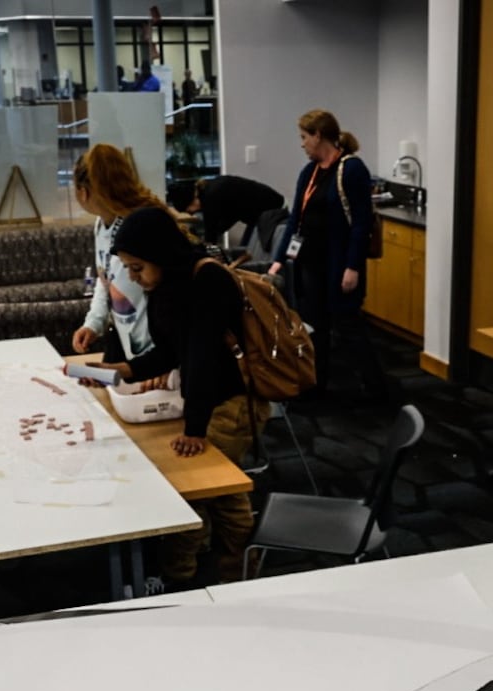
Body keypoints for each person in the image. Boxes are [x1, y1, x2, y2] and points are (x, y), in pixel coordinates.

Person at [88, 207, 266, 586]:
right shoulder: (167, 283)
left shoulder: (204, 281)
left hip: (230, 402)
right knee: (220, 489)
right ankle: (234, 561)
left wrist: (195, 430)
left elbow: (201, 358)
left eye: (138, 268)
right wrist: (124, 370)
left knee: (201, 489)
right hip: (208, 398)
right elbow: (172, 351)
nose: (134, 278)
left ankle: (198, 573)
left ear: (161, 253)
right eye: (128, 269)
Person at [268, 110, 388, 400]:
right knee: (315, 329)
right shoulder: (308, 172)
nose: (302, 144)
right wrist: (277, 261)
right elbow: (296, 218)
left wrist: (353, 266)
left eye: (304, 137)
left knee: (348, 326)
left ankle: (377, 389)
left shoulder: (352, 169)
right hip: (310, 265)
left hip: (339, 264)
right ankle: (316, 386)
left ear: (319, 136)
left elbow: (360, 224)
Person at [70, 144, 173, 365]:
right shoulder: (101, 226)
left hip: (159, 354)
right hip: (131, 352)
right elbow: (106, 278)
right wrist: (93, 323)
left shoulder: (140, 227)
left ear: (83, 192)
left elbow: (170, 296)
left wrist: (166, 362)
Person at [167, 174, 285, 249]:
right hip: (271, 203)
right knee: (245, 248)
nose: (192, 213)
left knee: (247, 250)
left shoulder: (209, 199)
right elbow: (231, 216)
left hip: (270, 209)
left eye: (189, 211)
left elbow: (211, 236)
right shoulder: (210, 188)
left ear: (192, 202)